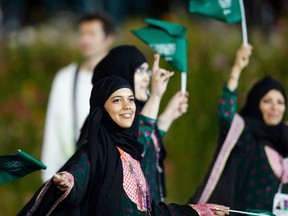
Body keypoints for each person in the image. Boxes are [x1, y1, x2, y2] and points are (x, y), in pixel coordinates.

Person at [18, 76, 229, 216]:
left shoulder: (132, 153)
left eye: (130, 99)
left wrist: (198, 211)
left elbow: (150, 212)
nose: (128, 106)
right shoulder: (96, 151)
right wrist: (69, 182)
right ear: (102, 109)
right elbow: (79, 175)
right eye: (117, 100)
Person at [190, 44, 288, 212]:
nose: (274, 107)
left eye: (280, 102)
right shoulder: (246, 133)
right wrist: (236, 70)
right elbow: (225, 114)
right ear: (256, 104)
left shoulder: (285, 137)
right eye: (267, 101)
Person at [91, 45, 189, 203]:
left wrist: (168, 116)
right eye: (140, 71)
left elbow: (148, 142)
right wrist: (156, 96)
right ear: (123, 73)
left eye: (147, 71)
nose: (147, 78)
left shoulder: (139, 111)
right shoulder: (108, 121)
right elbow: (134, 147)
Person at [41, 11, 116, 181]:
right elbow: (53, 130)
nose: (85, 40)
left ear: (109, 38)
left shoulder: (122, 78)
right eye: (82, 33)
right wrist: (49, 177)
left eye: (91, 34)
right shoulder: (64, 78)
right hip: (72, 178)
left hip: (110, 179)